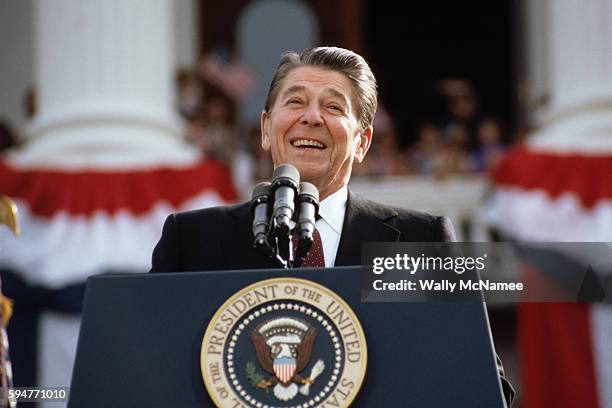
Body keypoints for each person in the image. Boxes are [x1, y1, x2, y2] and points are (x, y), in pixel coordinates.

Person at [150, 47, 513, 405]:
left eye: (333, 106)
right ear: (265, 128)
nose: (311, 117)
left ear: (362, 141)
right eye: (295, 102)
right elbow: (149, 373)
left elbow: (483, 385)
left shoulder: (422, 240)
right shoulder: (192, 240)